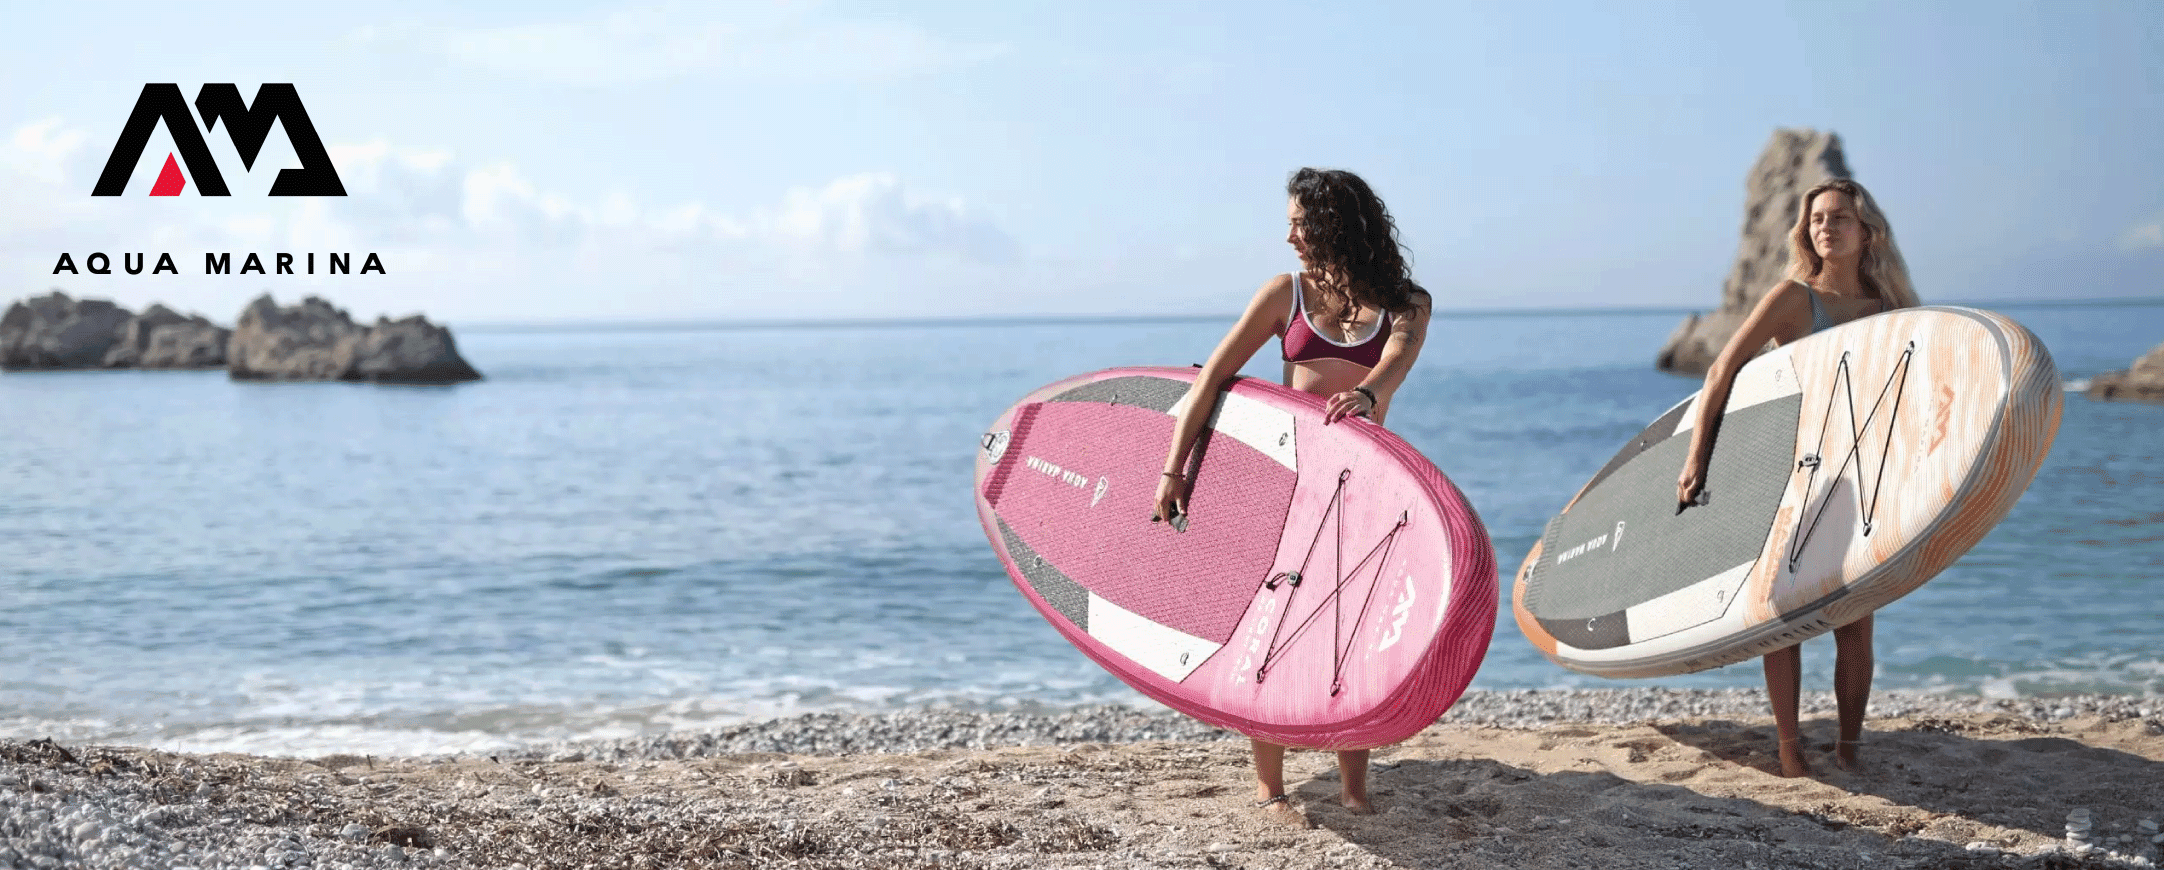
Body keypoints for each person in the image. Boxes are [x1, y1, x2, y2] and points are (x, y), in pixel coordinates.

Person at [1150, 167, 1434, 824]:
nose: (1290, 238)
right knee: (1269, 631)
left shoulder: (1407, 303)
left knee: (1351, 638)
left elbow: (1395, 361)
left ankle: (1354, 790)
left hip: (1361, 492)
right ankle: (1270, 789)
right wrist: (1174, 469)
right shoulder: (1286, 294)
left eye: (1300, 224)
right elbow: (1212, 378)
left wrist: (1368, 393)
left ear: (1336, 225)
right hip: (1289, 490)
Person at [1675, 177, 1919, 777]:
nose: (1826, 228)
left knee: (1854, 621)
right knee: (1785, 618)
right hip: (1794, 474)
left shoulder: (1891, 311)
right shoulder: (1793, 298)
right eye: (1816, 220)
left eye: (1839, 218)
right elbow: (1722, 371)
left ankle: (1849, 746)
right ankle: (1789, 746)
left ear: (1867, 232)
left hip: (1863, 477)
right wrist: (1697, 459)